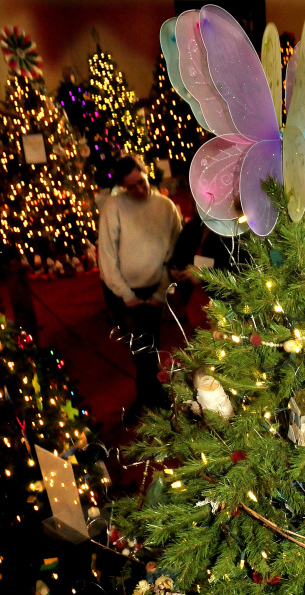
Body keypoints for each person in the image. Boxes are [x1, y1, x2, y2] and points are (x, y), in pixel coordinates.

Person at [98, 155, 182, 416]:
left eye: (141, 182)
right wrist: (126, 295)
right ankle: (153, 397)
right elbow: (107, 257)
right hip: (123, 292)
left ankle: (149, 398)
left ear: (147, 174)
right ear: (123, 187)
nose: (138, 190)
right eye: (130, 187)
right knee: (140, 349)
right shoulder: (114, 208)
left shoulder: (166, 207)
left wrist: (160, 293)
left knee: (151, 344)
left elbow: (174, 255)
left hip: (154, 289)